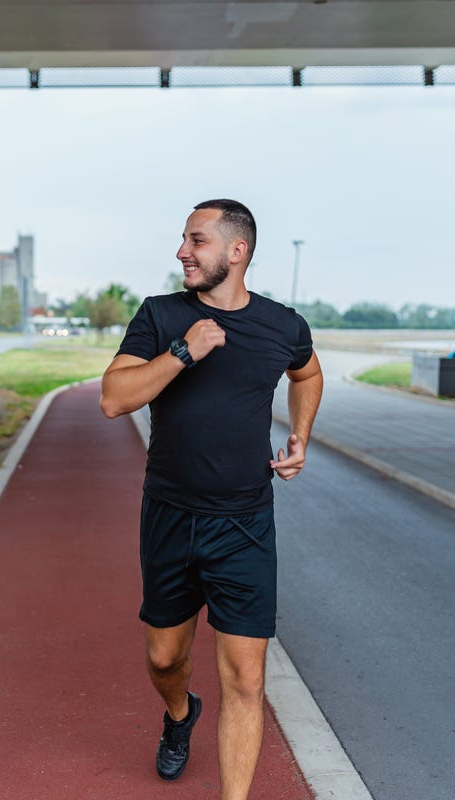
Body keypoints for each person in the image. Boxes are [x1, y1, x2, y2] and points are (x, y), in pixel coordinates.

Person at [99, 199, 323, 800]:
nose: (182, 252)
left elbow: (307, 374)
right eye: (183, 240)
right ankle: (179, 715)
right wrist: (181, 352)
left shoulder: (284, 327)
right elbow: (114, 398)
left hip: (246, 522)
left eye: (196, 241)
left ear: (236, 251)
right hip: (170, 515)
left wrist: (301, 433)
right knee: (165, 657)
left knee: (247, 679)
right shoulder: (162, 315)